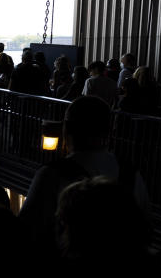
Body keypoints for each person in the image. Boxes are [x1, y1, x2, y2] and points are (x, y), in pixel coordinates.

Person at [20, 95, 149, 249]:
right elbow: (145, 229)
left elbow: (26, 230)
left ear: (66, 128)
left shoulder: (52, 175)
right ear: (108, 130)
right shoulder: (130, 174)